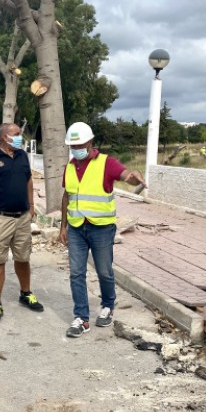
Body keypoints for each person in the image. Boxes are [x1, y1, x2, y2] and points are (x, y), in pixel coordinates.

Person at [59, 121, 146, 338]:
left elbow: (125, 175)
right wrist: (63, 225)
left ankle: (108, 305)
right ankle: (81, 318)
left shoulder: (106, 163)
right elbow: (67, 196)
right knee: (76, 273)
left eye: (79, 144)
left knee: (104, 271)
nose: (76, 149)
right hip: (76, 228)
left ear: (90, 142)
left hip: (101, 229)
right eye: (72, 145)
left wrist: (133, 176)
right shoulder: (70, 166)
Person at [0, 122, 45, 322]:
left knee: (23, 257)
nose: (20, 135)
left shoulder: (22, 155)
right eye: (16, 133)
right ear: (4, 137)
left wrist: (31, 205)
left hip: (22, 217)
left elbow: (28, 180)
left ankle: (26, 293)